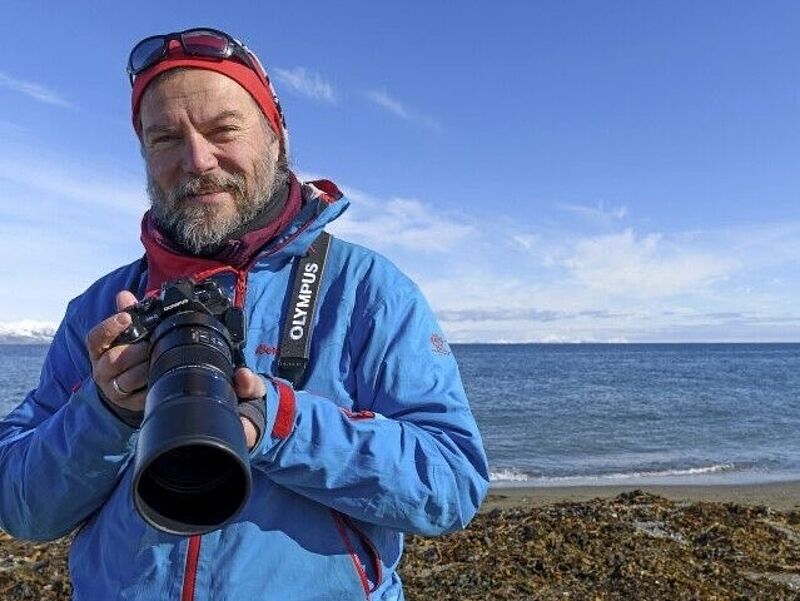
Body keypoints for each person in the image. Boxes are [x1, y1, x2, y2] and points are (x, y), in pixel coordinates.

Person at [0, 27, 489, 600]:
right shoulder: (98, 310)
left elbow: (450, 482)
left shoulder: (366, 290)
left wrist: (280, 421)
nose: (196, 159)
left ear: (277, 137)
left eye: (222, 130)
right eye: (164, 138)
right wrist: (104, 412)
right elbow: (20, 507)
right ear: (144, 157)